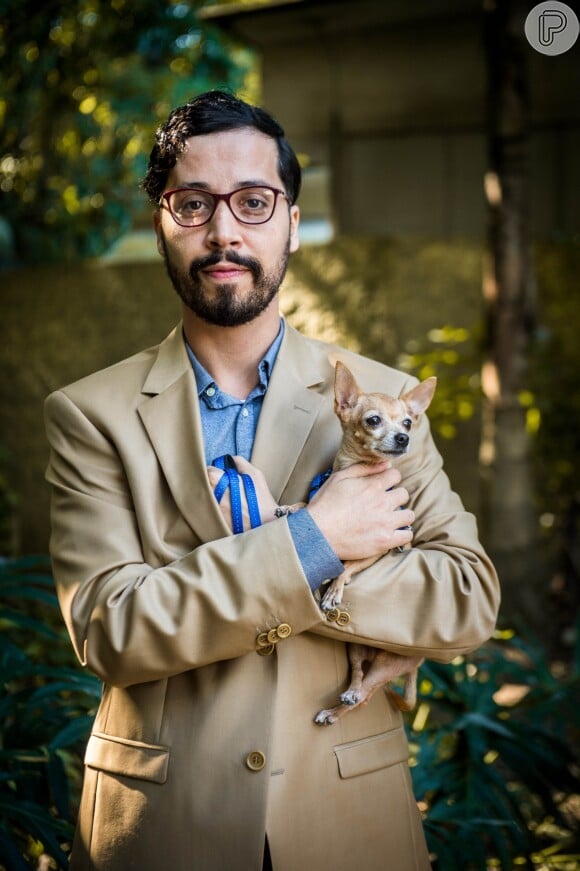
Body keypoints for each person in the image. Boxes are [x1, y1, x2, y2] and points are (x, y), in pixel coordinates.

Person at [44, 90, 500, 871]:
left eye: (254, 201)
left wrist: (317, 577)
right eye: (193, 204)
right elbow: (114, 627)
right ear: (160, 218)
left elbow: (466, 596)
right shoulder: (90, 414)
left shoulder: (384, 400)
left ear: (291, 219)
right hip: (160, 829)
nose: (224, 230)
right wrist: (316, 542)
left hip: (350, 824)